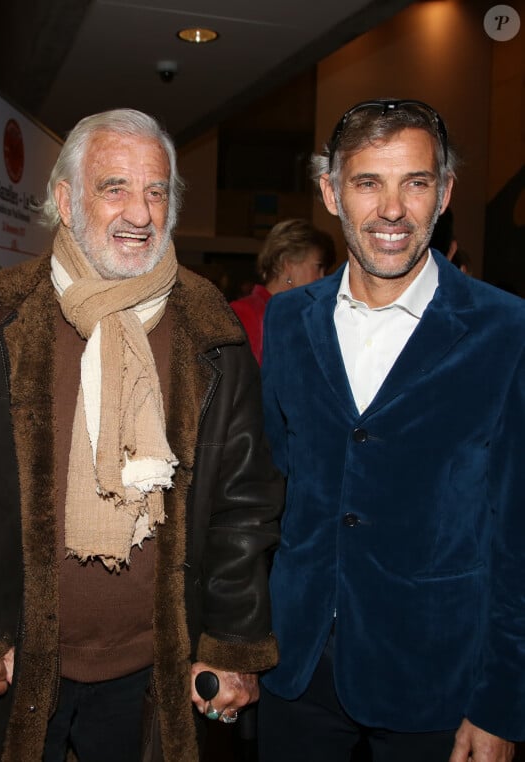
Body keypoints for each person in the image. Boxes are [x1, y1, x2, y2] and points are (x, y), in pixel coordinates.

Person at [0, 108, 283, 762]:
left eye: (157, 191)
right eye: (115, 188)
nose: (140, 212)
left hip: (154, 669)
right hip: (15, 662)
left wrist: (230, 647)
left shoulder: (211, 331)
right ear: (67, 201)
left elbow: (246, 506)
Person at [258, 98, 525, 762]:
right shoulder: (289, 321)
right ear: (330, 191)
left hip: (437, 675)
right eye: (368, 181)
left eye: (417, 181)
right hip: (296, 666)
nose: (392, 208)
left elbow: (518, 533)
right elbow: (266, 493)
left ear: (445, 194)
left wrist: (503, 701)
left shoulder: (506, 330)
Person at [230, 218, 335, 363]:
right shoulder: (244, 314)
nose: (322, 278)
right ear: (288, 264)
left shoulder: (310, 317)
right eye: (318, 267)